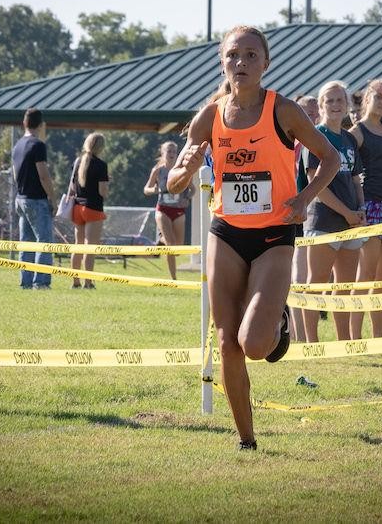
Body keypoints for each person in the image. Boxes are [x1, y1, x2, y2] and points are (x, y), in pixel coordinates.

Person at [167, 25, 339, 450]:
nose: (240, 63)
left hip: (274, 236)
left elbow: (330, 158)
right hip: (225, 233)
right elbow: (173, 184)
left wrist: (304, 198)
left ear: (265, 63)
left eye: (249, 55)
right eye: (232, 56)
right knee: (226, 341)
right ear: (222, 63)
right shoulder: (210, 116)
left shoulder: (283, 110)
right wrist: (186, 169)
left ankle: (277, 322)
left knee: (255, 345)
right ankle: (246, 439)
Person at [303, 81, 367, 342]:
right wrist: (347, 213)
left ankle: (343, 342)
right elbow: (315, 186)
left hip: (351, 223)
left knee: (344, 286)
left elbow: (355, 179)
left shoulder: (350, 138)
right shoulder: (314, 136)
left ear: (348, 104)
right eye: (329, 100)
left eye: (340, 99)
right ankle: (311, 343)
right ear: (320, 106)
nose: (335, 105)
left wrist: (360, 210)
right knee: (316, 283)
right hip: (323, 221)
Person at [348, 78, 382, 338]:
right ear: (367, 98)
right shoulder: (357, 132)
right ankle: (355, 336)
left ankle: (378, 337)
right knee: (365, 275)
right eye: (377, 96)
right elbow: (346, 169)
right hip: (369, 208)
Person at [13, 108, 56, 290]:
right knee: (44, 242)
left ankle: (26, 281)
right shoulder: (38, 145)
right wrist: (52, 197)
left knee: (26, 242)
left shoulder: (17, 146)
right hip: (36, 199)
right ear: (41, 125)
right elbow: (43, 175)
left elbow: (15, 175)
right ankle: (41, 282)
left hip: (21, 198)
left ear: (24, 123)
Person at [289, 94, 320, 343]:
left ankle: (304, 336)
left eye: (314, 114)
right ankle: (297, 335)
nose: (311, 119)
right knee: (297, 277)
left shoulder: (317, 143)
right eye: (305, 114)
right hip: (290, 216)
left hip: (311, 217)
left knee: (306, 277)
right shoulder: (289, 142)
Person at [144, 141, 193, 280]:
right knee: (171, 246)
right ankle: (173, 279)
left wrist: (187, 198)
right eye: (169, 151)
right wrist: (153, 189)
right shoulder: (158, 170)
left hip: (178, 210)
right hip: (162, 209)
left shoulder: (181, 169)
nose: (171, 154)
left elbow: (193, 189)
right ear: (163, 153)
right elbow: (146, 189)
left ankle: (161, 240)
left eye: (174, 151)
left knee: (177, 249)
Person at [70, 132, 110, 289]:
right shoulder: (101, 165)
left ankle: (75, 281)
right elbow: (102, 191)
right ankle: (88, 282)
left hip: (77, 208)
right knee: (90, 247)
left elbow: (73, 187)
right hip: (93, 208)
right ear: (101, 147)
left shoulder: (78, 162)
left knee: (78, 245)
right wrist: (107, 185)